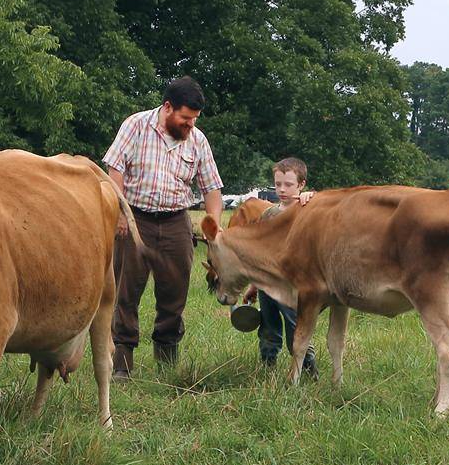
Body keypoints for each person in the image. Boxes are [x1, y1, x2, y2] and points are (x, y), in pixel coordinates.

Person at [103, 76, 223, 376]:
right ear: (168, 107)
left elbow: (212, 189)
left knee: (175, 294)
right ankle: (122, 366)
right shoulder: (135, 125)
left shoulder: (198, 140)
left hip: (175, 221)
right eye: (185, 118)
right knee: (125, 293)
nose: (190, 125)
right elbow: (114, 168)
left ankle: (167, 365)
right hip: (135, 219)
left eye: (194, 119)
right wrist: (120, 212)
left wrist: (215, 228)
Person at [242, 157, 317, 376]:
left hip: (292, 285)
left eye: (289, 185)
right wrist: (254, 285)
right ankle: (268, 367)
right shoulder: (269, 214)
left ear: (301, 185)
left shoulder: (308, 210)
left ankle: (308, 368)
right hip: (267, 284)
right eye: (278, 184)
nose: (282, 190)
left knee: (297, 327)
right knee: (268, 327)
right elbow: (262, 253)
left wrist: (310, 197)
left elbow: (326, 205)